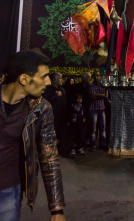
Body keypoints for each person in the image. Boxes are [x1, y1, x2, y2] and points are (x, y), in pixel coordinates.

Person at [0, 50, 66, 220]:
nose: (49, 82)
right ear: (23, 79)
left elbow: (49, 158)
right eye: (43, 76)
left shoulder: (42, 109)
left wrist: (57, 210)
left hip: (8, 190)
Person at [43, 72, 73, 158]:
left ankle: (63, 150)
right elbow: (46, 102)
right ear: (54, 80)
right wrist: (56, 96)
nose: (61, 80)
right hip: (53, 117)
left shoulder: (62, 89)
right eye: (60, 78)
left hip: (62, 115)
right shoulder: (48, 90)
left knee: (63, 134)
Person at [87, 71, 108, 151]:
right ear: (93, 77)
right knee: (93, 128)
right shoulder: (91, 85)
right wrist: (101, 95)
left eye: (98, 76)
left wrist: (97, 95)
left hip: (101, 109)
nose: (97, 77)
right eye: (95, 76)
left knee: (103, 128)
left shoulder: (103, 85)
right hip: (93, 109)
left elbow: (105, 96)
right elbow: (92, 96)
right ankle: (93, 145)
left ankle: (103, 144)